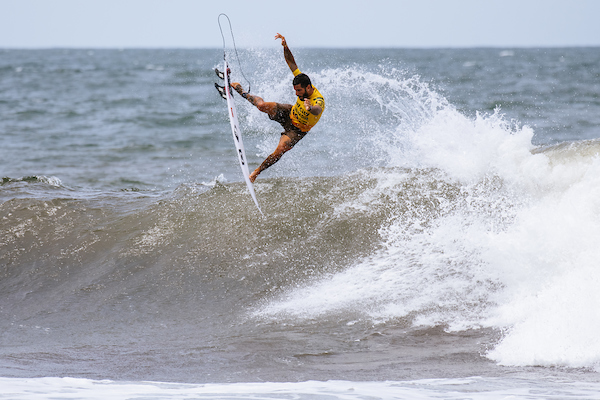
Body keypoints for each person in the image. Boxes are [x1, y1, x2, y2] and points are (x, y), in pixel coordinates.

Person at [231, 33, 325, 183]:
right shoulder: (302, 81)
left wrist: (309, 108)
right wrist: (285, 46)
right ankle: (241, 91)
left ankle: (256, 172)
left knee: (279, 151)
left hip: (297, 131)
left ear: (308, 87)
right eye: (295, 90)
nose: (296, 93)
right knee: (262, 105)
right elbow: (292, 63)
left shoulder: (318, 100)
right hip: (289, 112)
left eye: (299, 91)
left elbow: (317, 110)